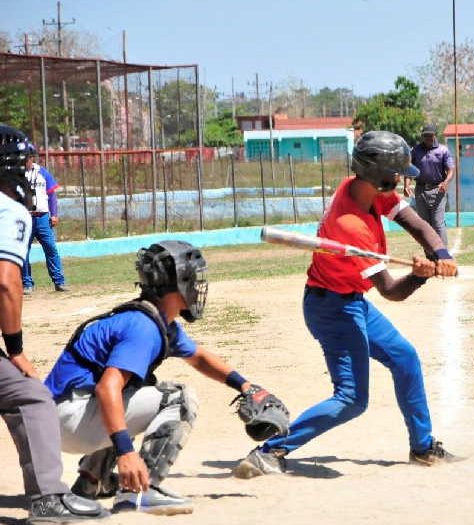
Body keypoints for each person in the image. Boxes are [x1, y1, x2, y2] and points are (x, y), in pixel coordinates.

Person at [233, 130, 460, 479]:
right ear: (379, 175)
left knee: (405, 358)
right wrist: (421, 275)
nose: (401, 180)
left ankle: (422, 446)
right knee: (352, 398)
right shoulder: (350, 227)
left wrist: (440, 254)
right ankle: (271, 450)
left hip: (350, 300)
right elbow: (391, 291)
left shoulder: (364, 190)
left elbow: (417, 224)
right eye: (397, 174)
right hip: (331, 310)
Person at [43, 240, 282, 515]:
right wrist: (125, 453)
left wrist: (246, 386)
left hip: (56, 419)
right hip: (71, 417)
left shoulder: (154, 319)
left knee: (137, 389)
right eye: (193, 278)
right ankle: (141, 492)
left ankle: (90, 482)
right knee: (178, 398)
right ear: (178, 282)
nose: (197, 287)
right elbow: (107, 388)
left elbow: (199, 358)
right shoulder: (143, 327)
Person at [0, 124, 109, 523]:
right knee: (29, 395)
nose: (30, 168)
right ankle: (47, 498)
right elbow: (7, 283)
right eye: (23, 162)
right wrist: (16, 350)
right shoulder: (8, 208)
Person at [23, 145, 68, 294]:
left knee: (51, 249)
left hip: (42, 218)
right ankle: (27, 284)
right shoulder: (16, 174)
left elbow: (52, 195)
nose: (25, 160)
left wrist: (54, 214)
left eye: (28, 157)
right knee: (23, 252)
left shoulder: (43, 172)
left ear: (32, 157)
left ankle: (59, 282)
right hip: (25, 218)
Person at [403, 123, 454, 251]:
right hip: (420, 191)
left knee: (437, 224)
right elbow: (409, 168)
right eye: (425, 136)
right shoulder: (416, 151)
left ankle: (443, 255)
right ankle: (430, 255)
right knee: (425, 225)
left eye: (430, 135)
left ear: (434, 135)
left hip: (438, 190)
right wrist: (406, 185)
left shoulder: (443, 150)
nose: (427, 138)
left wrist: (446, 182)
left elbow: (451, 169)